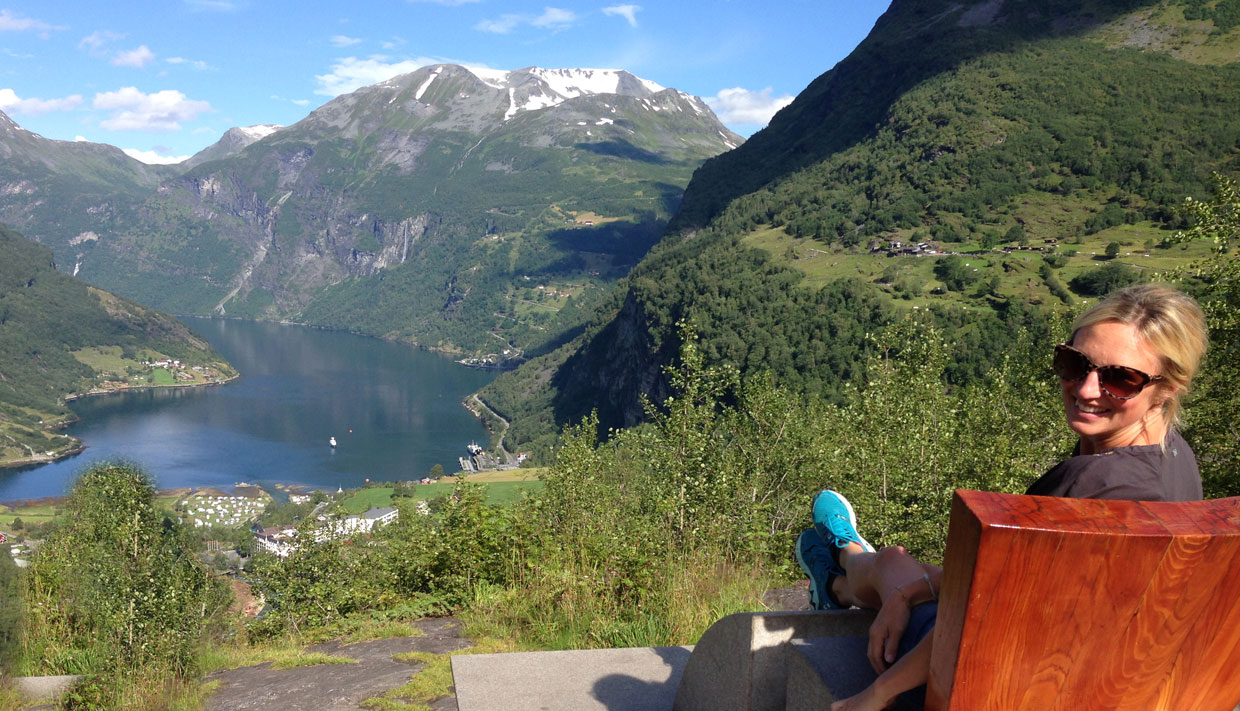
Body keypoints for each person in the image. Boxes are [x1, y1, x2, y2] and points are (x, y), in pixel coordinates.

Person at [795, 283, 1209, 711]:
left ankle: (839, 571)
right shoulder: (1175, 459)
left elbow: (980, 625)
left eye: (1121, 379)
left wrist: (875, 694)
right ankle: (843, 564)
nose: (1086, 390)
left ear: (1169, 386)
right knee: (915, 577)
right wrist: (920, 591)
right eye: (1074, 363)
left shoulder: (1090, 489)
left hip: (1001, 682)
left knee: (894, 565)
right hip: (1098, 673)